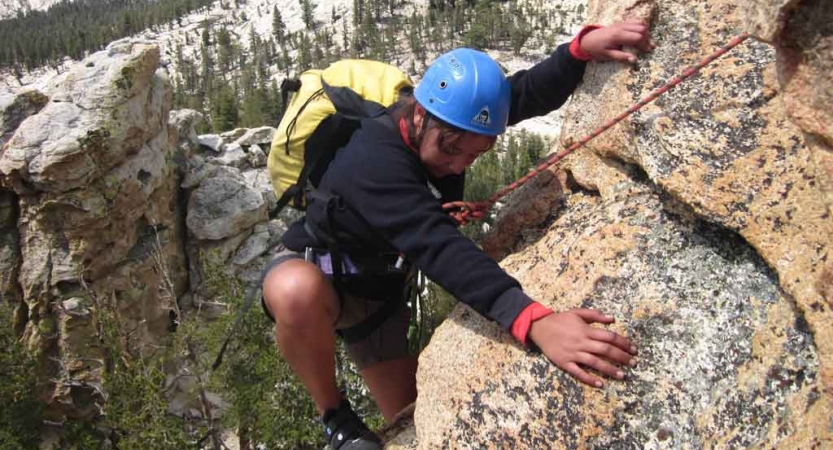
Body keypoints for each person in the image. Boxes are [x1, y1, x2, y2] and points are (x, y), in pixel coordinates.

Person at [262, 20, 653, 450]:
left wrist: (577, 52)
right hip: (320, 268)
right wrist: (534, 320)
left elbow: (520, 94)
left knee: (411, 419)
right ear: (419, 114)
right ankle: (334, 416)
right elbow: (438, 248)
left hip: (377, 290)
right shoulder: (372, 158)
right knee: (293, 290)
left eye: (477, 152)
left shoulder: (450, 123)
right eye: (451, 149)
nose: (459, 165)